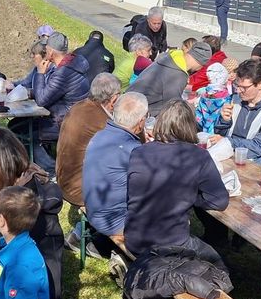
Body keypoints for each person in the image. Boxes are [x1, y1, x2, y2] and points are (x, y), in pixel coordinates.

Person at [0, 129, 64, 299]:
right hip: (11, 272)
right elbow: (2, 233)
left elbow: (19, 270)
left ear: (0, 164)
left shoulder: (24, 202)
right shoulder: (11, 187)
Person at [124, 99, 229, 264]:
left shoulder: (139, 152)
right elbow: (219, 201)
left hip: (134, 237)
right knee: (218, 263)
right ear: (190, 125)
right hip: (170, 243)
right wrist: (193, 197)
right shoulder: (198, 156)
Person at [82, 91, 147, 238]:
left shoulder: (100, 135)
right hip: (115, 222)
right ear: (141, 121)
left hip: (95, 211)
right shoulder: (132, 150)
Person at [56, 72, 121, 209]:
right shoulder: (102, 121)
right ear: (114, 99)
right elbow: (123, 151)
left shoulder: (79, 106)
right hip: (79, 189)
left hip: (64, 180)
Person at [30, 32, 90, 174]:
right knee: (17, 125)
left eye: (46, 49)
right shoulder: (75, 63)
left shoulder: (63, 73)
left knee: (26, 134)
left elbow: (42, 100)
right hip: (74, 116)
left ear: (50, 51)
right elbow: (54, 92)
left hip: (63, 121)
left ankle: (51, 170)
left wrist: (40, 73)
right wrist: (30, 92)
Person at [210, 57, 261, 162]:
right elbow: (219, 133)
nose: (238, 90)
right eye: (237, 85)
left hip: (253, 160)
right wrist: (224, 121)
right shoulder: (235, 98)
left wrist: (229, 142)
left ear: (260, 85)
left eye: (244, 87)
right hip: (227, 154)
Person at [128, 40, 212, 117]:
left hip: (129, 100)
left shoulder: (170, 56)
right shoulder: (178, 75)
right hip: (138, 112)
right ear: (200, 62)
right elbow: (172, 107)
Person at [194, 63, 231, 134]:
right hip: (218, 133)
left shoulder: (203, 94)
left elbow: (198, 116)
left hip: (201, 130)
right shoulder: (227, 98)